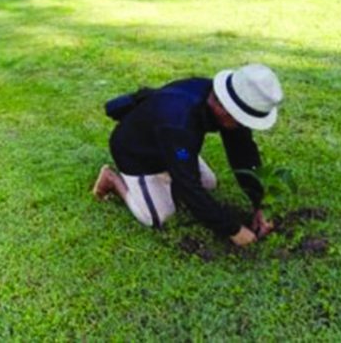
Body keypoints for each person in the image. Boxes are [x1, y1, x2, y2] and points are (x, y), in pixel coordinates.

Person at [93, 64, 284, 247]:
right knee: (158, 217)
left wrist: (259, 204)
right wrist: (233, 231)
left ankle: (169, 173)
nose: (243, 126)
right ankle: (112, 179)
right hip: (136, 152)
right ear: (223, 108)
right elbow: (188, 186)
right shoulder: (179, 122)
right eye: (242, 120)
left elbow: (243, 152)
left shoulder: (222, 98)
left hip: (177, 148)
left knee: (209, 184)